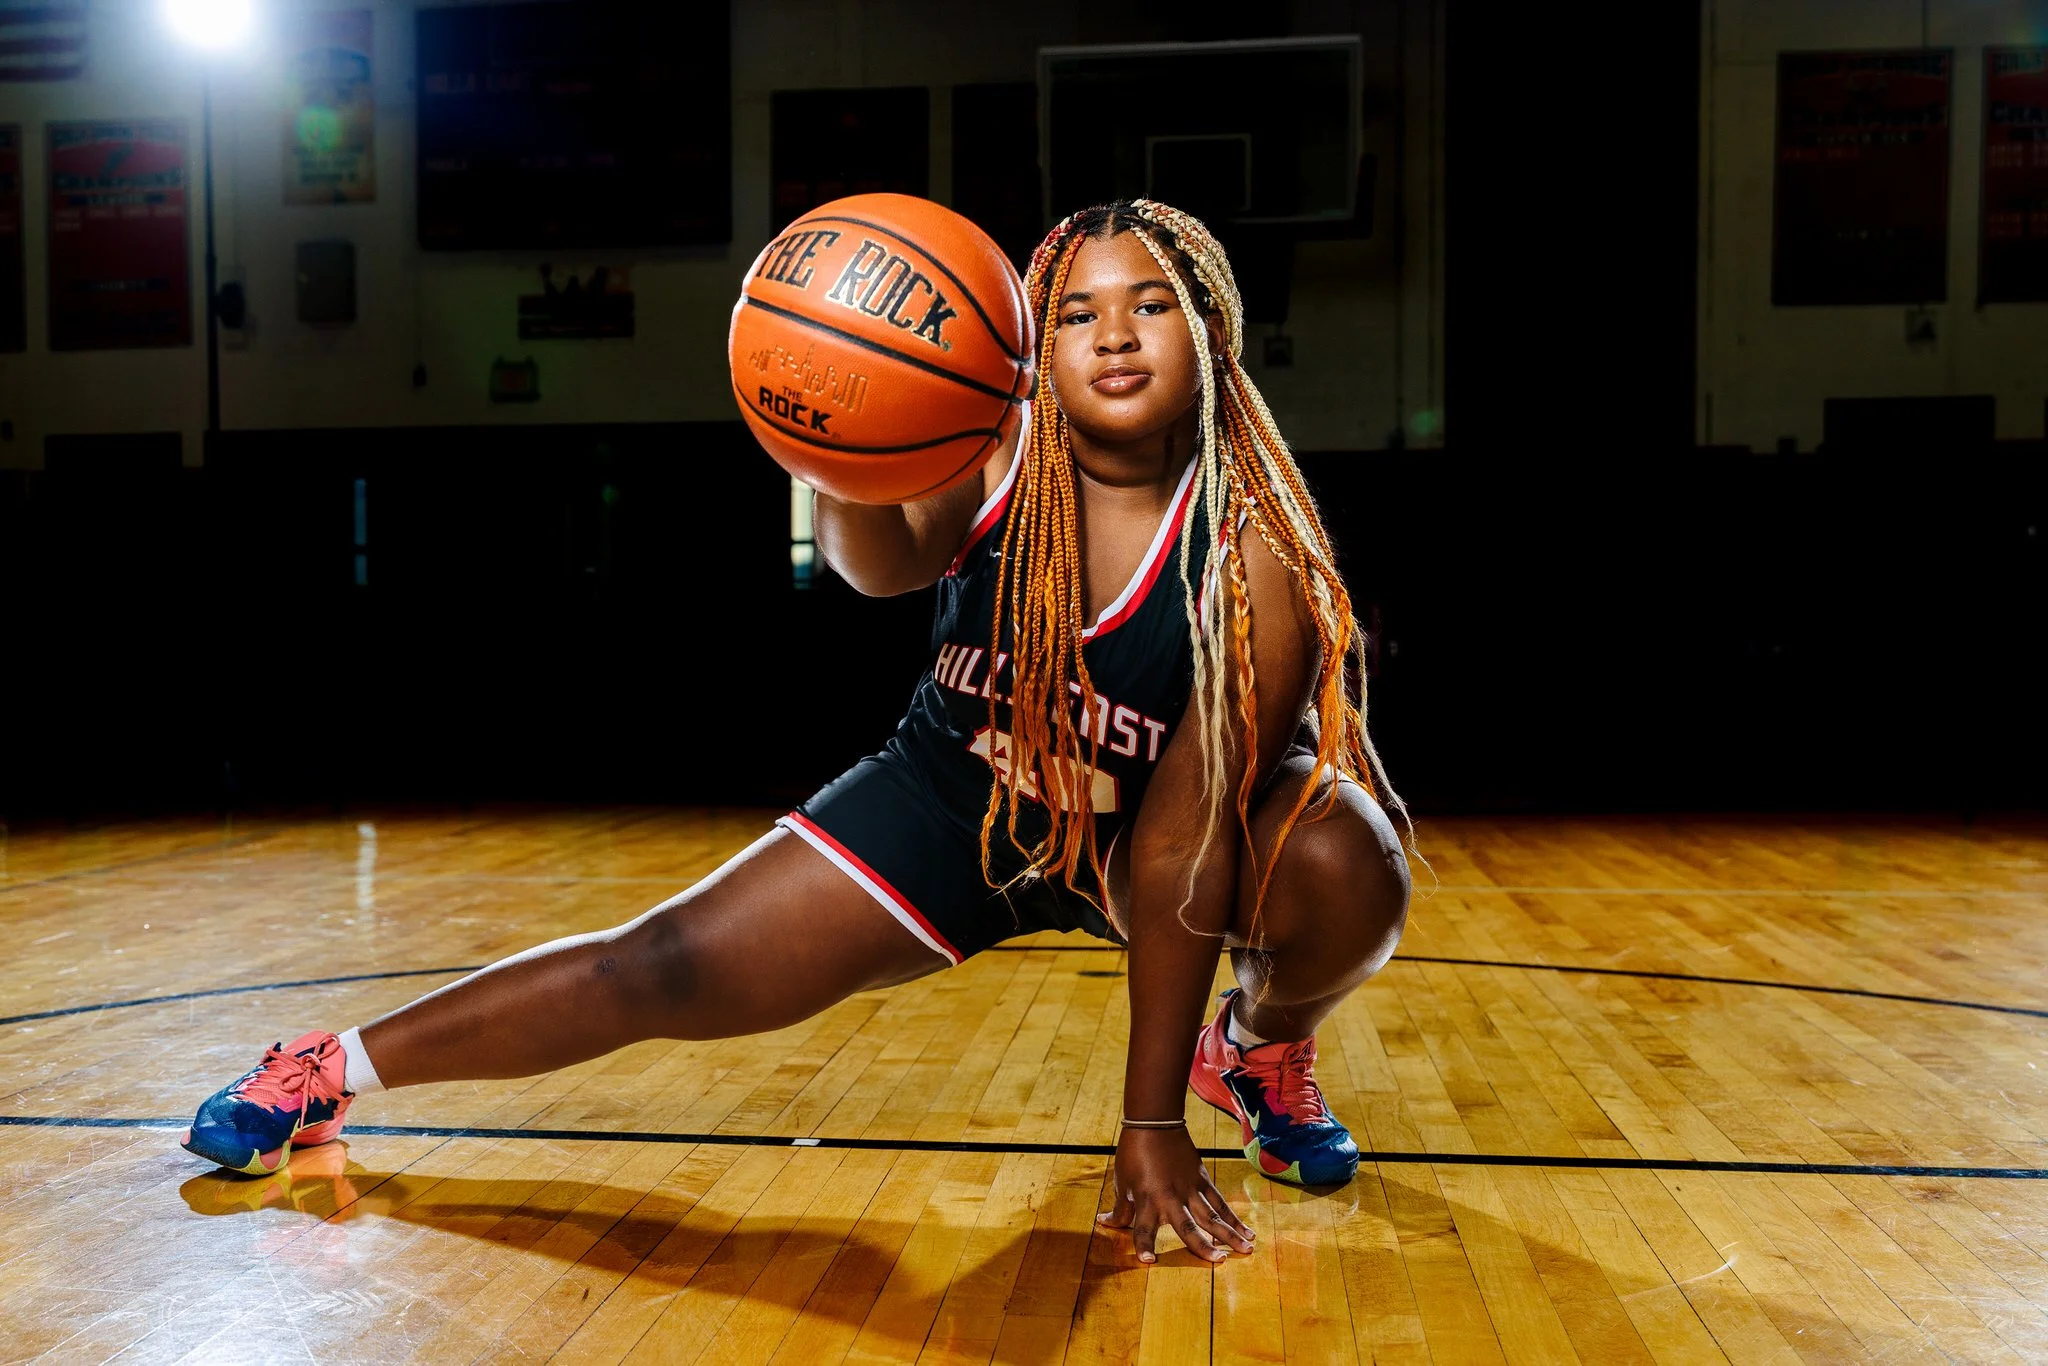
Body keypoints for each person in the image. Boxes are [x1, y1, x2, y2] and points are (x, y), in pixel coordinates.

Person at [183, 200, 1412, 1265]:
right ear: (1038, 339)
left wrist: (1149, 1120)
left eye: (1151, 304)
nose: (1114, 333)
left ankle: (1251, 1052)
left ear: (1212, 331)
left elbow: (1185, 842)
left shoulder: (1255, 550)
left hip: (1148, 833)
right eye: (1081, 311)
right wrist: (837, 443)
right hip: (958, 795)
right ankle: (325, 1068)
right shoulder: (984, 436)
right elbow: (877, 567)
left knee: (1343, 862)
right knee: (659, 963)